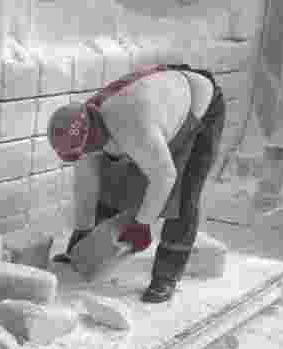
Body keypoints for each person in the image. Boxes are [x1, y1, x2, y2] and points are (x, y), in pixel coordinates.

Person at [47, 63, 226, 302]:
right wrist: (83, 232)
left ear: (94, 138)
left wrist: (141, 224)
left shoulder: (134, 130)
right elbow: (87, 183)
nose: (84, 156)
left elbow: (165, 177)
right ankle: (89, 255)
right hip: (158, 105)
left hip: (200, 102)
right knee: (114, 181)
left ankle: (167, 276)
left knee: (183, 197)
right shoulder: (84, 126)